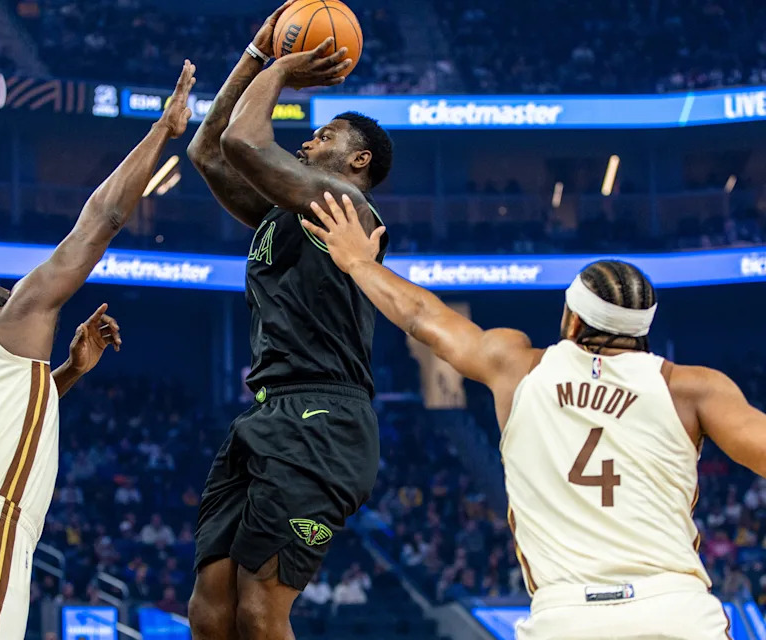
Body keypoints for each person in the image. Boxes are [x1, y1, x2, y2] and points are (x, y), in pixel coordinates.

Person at [301, 192, 761, 639]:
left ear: (572, 320)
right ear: (643, 327)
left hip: (567, 616)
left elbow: (424, 318)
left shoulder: (517, 367)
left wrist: (359, 262)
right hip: (675, 610)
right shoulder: (692, 389)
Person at [0, 62, 197, 640]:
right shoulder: (5, 320)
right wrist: (163, 130)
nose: (9, 289)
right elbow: (100, 221)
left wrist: (68, 373)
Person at [185, 3, 394, 638]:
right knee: (211, 607)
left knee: (260, 605)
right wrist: (254, 52)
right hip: (270, 412)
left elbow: (245, 142)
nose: (310, 139)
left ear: (358, 161)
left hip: (325, 417)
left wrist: (282, 65)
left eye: (326, 135)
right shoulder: (286, 212)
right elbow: (208, 147)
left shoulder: (348, 206)